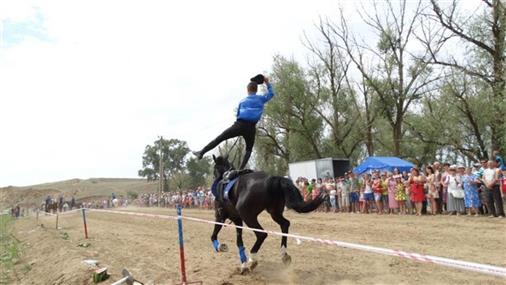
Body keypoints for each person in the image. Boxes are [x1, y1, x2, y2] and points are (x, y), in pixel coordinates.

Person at [192, 74, 275, 170]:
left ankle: (202, 152)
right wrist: (267, 82)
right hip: (251, 128)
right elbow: (271, 94)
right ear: (256, 90)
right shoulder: (261, 99)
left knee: (220, 138)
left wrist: (238, 130)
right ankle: (240, 169)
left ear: (247, 90)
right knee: (248, 150)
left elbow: (238, 115)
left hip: (240, 125)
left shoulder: (242, 101)